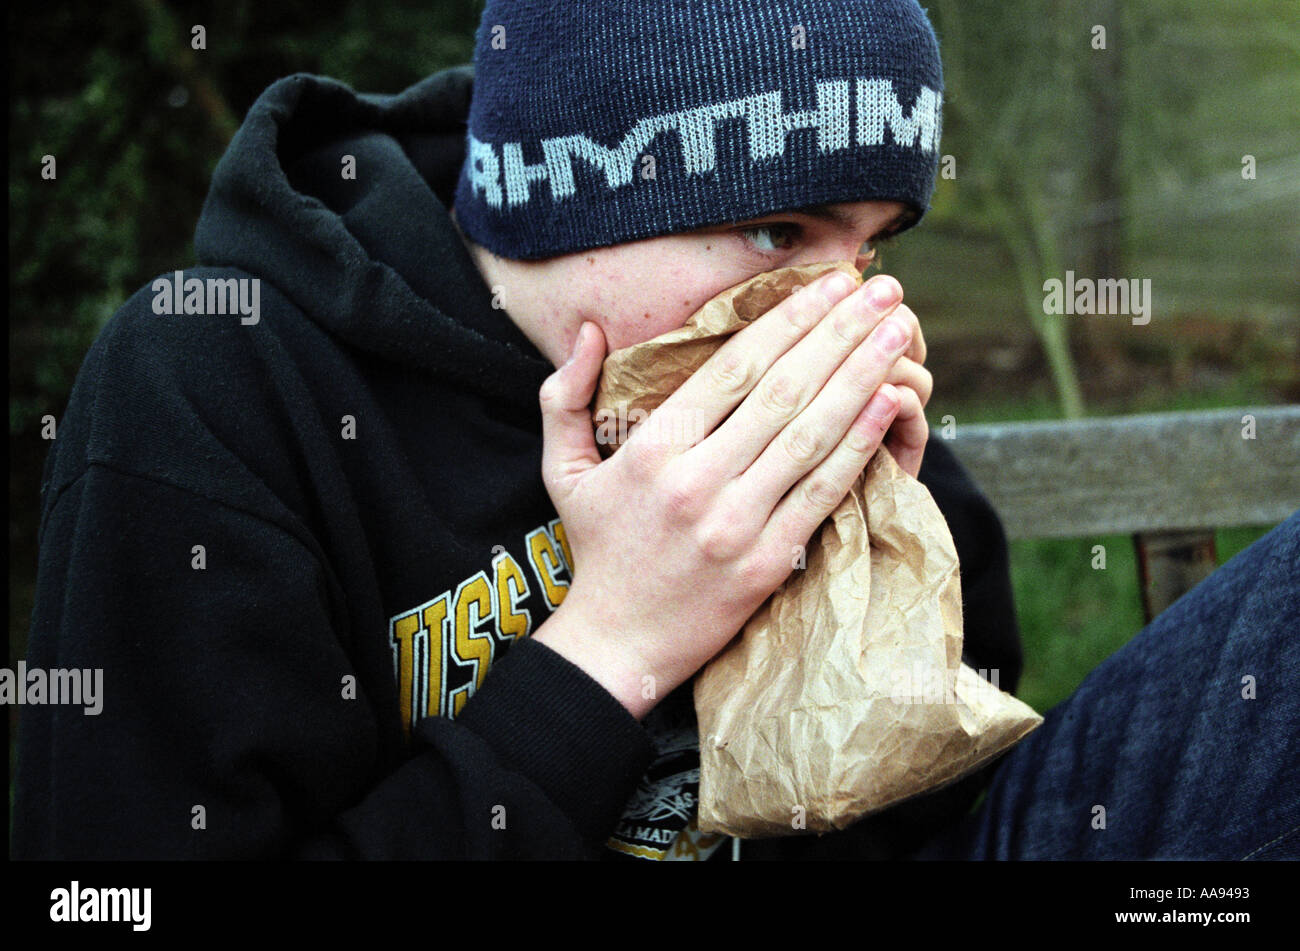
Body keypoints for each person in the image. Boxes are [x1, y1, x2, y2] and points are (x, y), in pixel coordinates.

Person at [15, 0, 1294, 861]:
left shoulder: (772, 368)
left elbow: (943, 797)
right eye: (778, 233)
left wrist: (892, 585)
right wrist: (613, 646)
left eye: (870, 244)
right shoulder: (218, 383)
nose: (835, 309)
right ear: (562, 197)